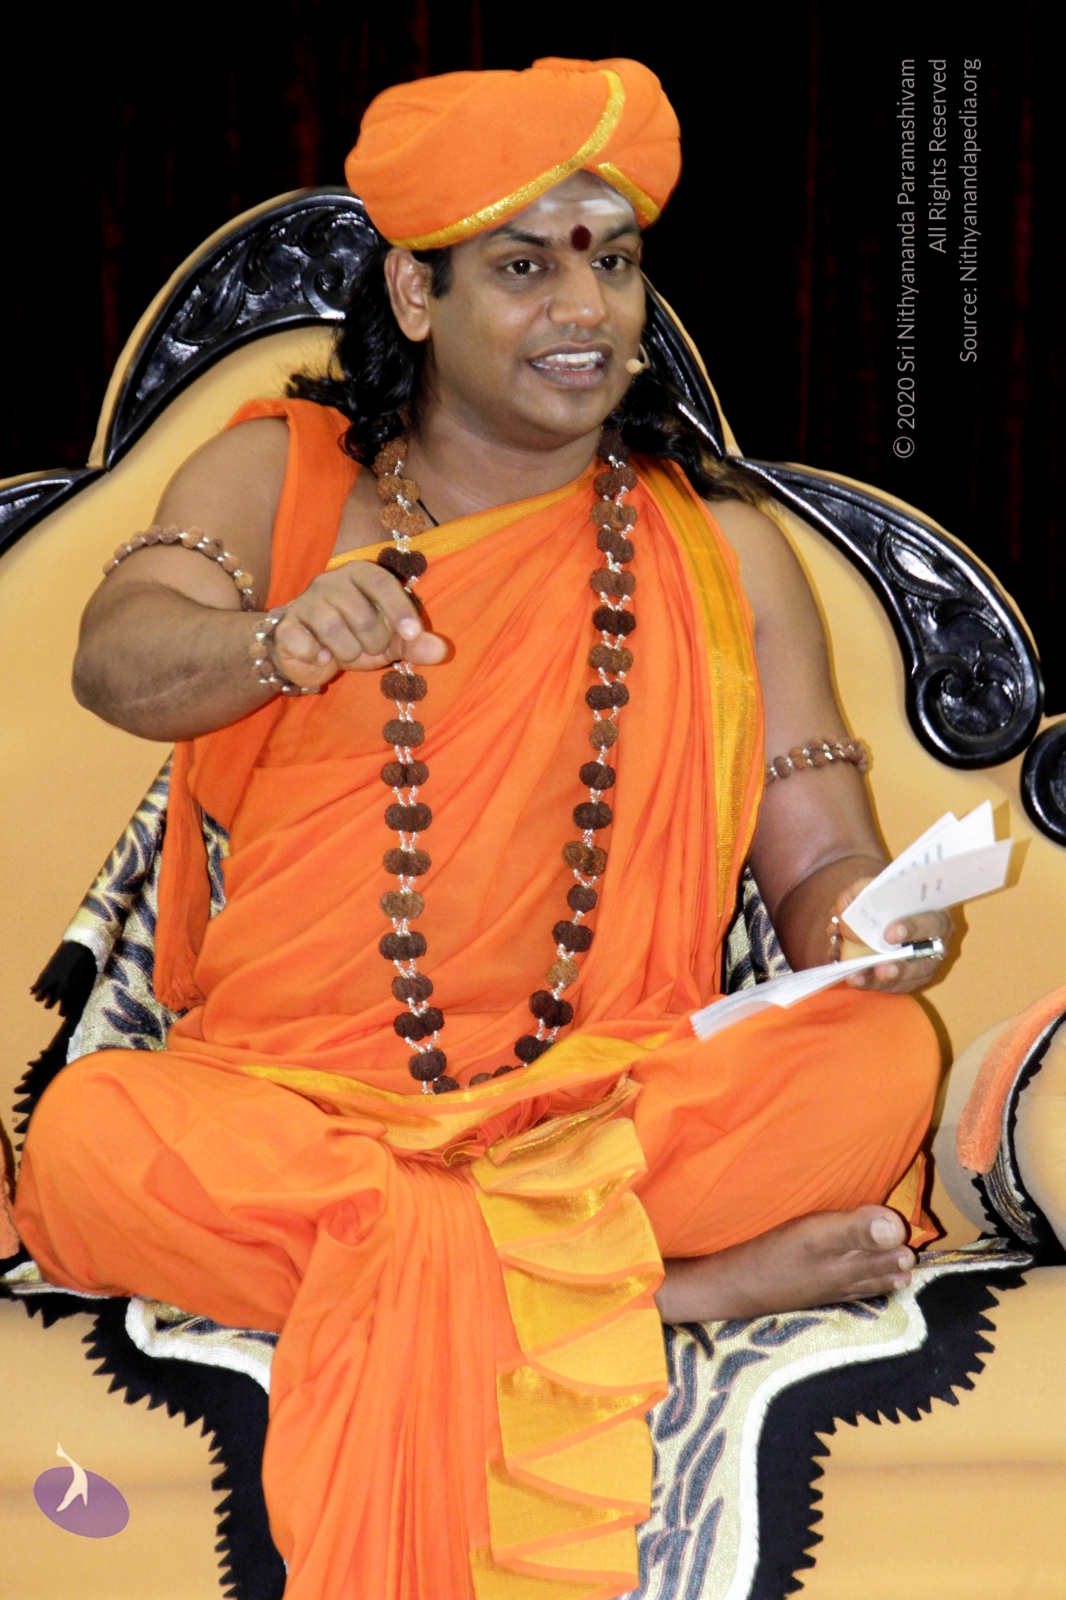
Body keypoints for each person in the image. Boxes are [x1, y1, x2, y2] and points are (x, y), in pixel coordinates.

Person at [15, 58, 950, 1600]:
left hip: (603, 1104)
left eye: (613, 260)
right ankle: (665, 1290)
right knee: (92, 1137)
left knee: (876, 1058)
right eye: (524, 267)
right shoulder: (280, 473)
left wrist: (873, 925)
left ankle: (457, 1261)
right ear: (416, 291)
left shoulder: (725, 551)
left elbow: (817, 867)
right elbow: (117, 660)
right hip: (298, 1109)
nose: (585, 308)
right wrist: (273, 641)